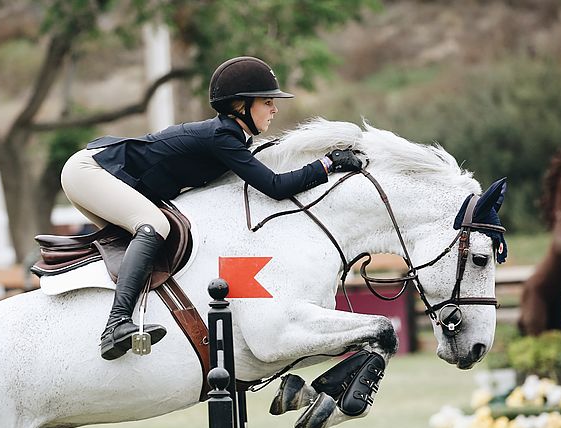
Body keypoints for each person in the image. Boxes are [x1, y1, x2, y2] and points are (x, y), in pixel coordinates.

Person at [60, 56, 363, 361]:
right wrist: (327, 164)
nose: (274, 108)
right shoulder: (223, 136)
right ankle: (116, 325)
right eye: (267, 101)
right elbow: (275, 187)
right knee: (154, 226)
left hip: (106, 172)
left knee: (154, 241)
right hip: (91, 170)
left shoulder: (230, 138)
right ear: (241, 105)